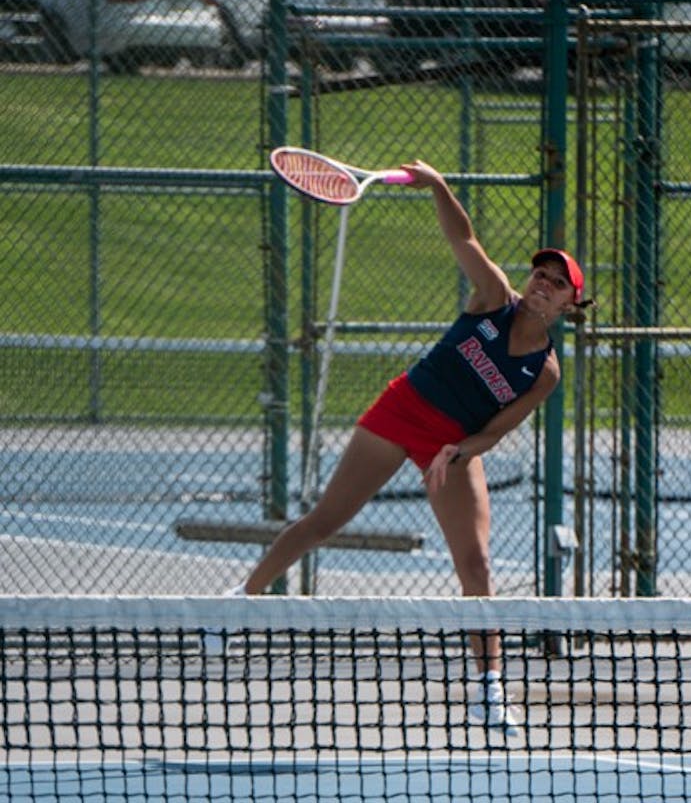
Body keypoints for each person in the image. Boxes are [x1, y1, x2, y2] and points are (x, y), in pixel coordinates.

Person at [228, 160, 587, 735]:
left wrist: (458, 452)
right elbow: (462, 237)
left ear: (569, 303)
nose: (542, 283)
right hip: (403, 410)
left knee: (477, 564)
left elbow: (497, 430)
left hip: (452, 445)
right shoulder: (493, 297)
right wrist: (441, 184)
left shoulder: (544, 372)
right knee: (325, 521)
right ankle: (235, 605)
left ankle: (490, 691)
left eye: (556, 282)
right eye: (539, 274)